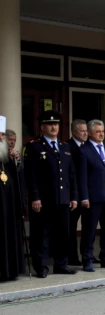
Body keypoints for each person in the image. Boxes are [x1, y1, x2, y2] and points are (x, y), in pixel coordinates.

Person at [24, 110, 78, 278]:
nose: (53, 127)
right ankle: (41, 266)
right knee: (42, 234)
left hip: (62, 199)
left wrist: (74, 196)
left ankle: (61, 264)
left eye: (56, 124)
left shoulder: (65, 147)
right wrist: (35, 197)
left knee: (62, 234)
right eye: (49, 124)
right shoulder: (35, 147)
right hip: (44, 200)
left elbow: (71, 174)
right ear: (42, 127)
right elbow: (31, 175)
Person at [77, 119, 105, 272]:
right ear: (89, 133)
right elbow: (81, 176)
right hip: (92, 198)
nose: (101, 134)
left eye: (103, 131)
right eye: (98, 131)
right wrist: (84, 197)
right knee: (89, 230)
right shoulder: (84, 150)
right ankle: (87, 259)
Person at [0, 121, 24, 282]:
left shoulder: (5, 157)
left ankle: (8, 271)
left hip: (7, 205)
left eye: (2, 136)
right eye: (1, 135)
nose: (2, 139)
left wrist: (16, 163)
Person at [67, 119, 88, 265]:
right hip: (73, 194)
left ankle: (87, 255)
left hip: (87, 195)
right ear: (74, 131)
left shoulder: (89, 147)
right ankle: (72, 257)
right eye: (82, 131)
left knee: (88, 227)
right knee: (71, 228)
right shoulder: (68, 147)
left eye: (86, 130)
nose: (86, 133)